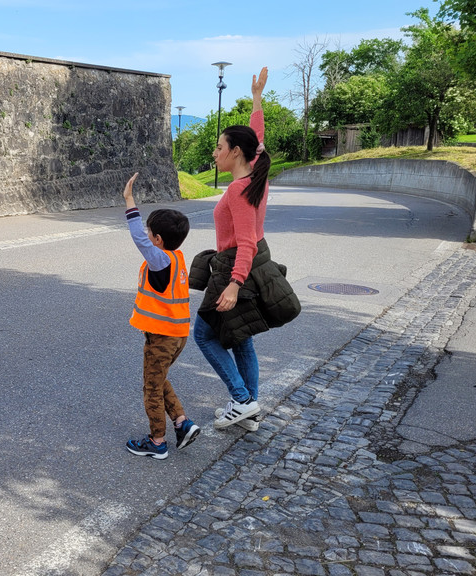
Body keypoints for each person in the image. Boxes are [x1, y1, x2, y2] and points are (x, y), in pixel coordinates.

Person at [192, 66, 297, 432]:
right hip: (244, 264)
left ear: (236, 152)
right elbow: (258, 137)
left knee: (204, 336)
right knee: (240, 339)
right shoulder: (256, 176)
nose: (215, 152)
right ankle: (248, 411)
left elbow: (248, 240)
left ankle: (240, 399)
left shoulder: (239, 190)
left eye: (220, 147)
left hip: (236, 267)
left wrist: (235, 283)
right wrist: (257, 98)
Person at [122, 172, 200, 460]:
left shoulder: (160, 259)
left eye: (149, 231)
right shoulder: (177, 258)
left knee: (151, 387)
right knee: (159, 378)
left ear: (158, 239)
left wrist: (130, 201)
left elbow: (139, 239)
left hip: (162, 337)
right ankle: (182, 422)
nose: (146, 234)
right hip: (177, 336)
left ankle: (157, 441)